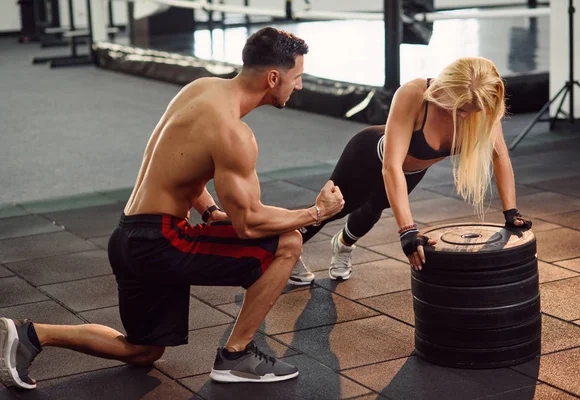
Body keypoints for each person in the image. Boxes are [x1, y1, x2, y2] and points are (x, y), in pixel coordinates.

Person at [0, 27, 344, 390]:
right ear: (273, 77)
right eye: (297, 78)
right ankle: (237, 355)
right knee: (288, 241)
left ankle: (31, 334)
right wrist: (318, 212)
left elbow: (179, 165)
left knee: (143, 351)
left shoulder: (200, 89)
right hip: (162, 241)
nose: (299, 86)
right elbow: (250, 224)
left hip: (129, 236)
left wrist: (210, 212)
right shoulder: (233, 133)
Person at [293, 56, 532, 281]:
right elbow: (391, 166)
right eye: (459, 108)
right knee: (334, 208)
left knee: (371, 212)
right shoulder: (414, 93)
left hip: (411, 172)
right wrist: (407, 230)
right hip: (368, 156)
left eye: (470, 111)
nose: (463, 116)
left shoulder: (483, 105)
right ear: (445, 88)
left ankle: (342, 246)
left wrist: (511, 212)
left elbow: (500, 157)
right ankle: (289, 250)